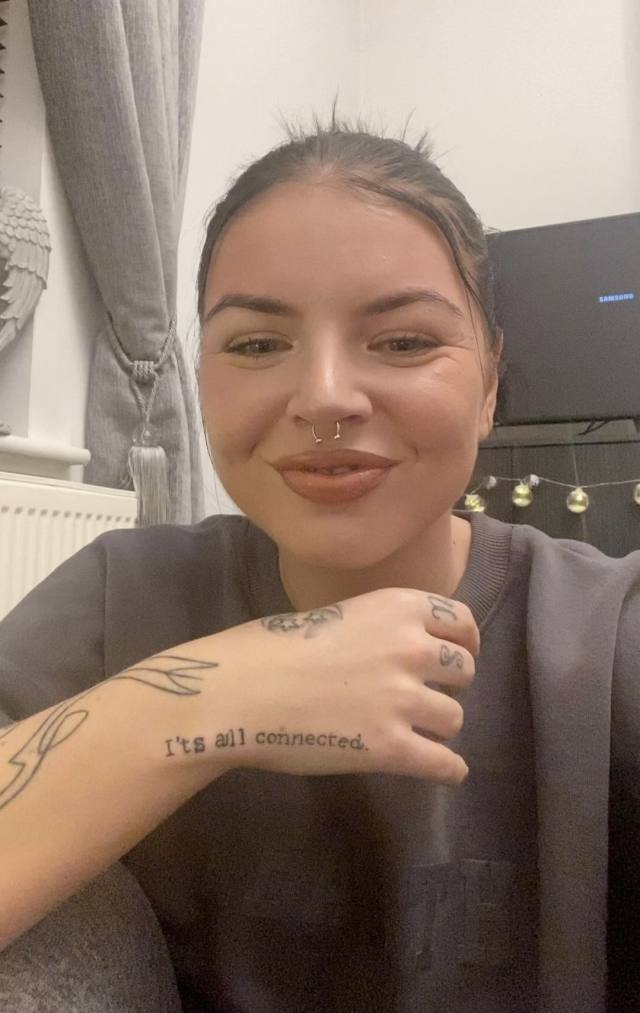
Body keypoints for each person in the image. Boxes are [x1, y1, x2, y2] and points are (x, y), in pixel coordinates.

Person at [0, 112, 639, 1013]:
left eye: (405, 341)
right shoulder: (123, 599)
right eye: (258, 344)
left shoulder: (606, 641)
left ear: (491, 383)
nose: (326, 398)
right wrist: (217, 693)